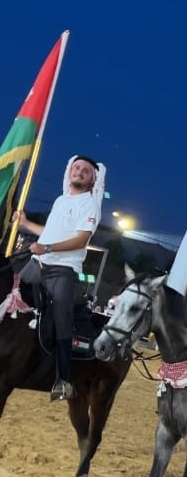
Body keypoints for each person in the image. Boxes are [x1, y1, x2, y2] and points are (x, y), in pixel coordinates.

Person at [15, 155, 106, 401]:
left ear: (92, 180)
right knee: (10, 298)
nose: (79, 171)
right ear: (69, 172)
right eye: (76, 167)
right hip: (37, 264)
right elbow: (49, 233)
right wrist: (26, 223)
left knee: (62, 319)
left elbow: (81, 240)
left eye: (85, 170)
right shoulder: (61, 200)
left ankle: (63, 380)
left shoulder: (89, 205)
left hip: (63, 269)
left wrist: (48, 248)